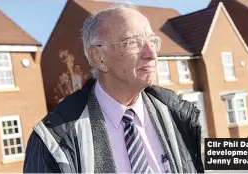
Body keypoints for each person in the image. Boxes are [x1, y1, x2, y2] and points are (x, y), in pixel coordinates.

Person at [23, 3, 204, 173]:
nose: (151, 54)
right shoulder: (52, 141)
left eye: (152, 41)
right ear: (99, 58)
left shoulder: (178, 115)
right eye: (133, 42)